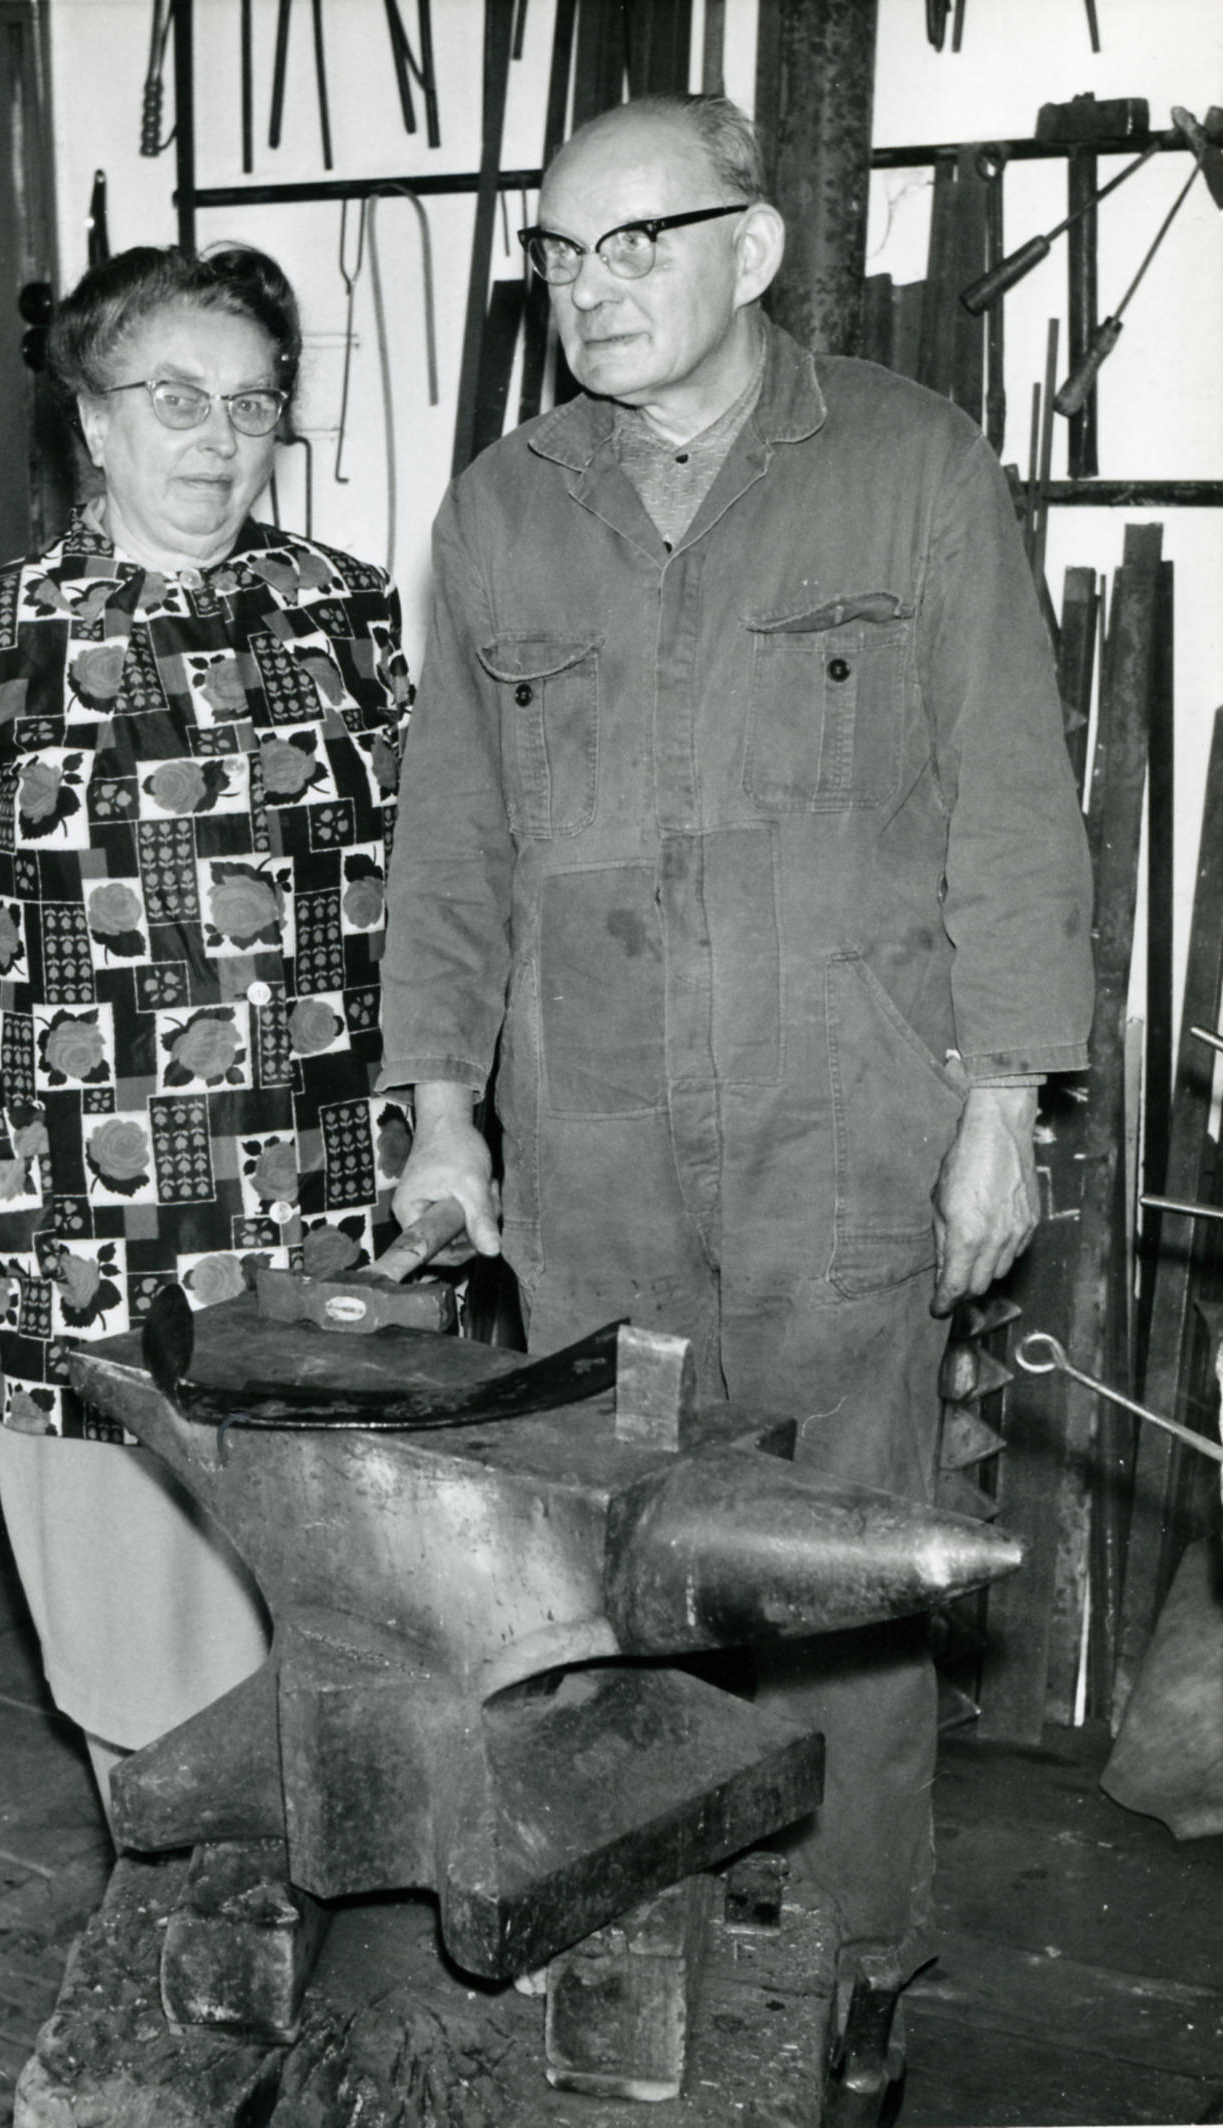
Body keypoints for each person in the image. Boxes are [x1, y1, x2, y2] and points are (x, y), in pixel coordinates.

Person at [378, 94, 1093, 2018]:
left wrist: (1001, 1110)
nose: (585, 289)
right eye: (557, 254)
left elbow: (1011, 809)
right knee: (610, 1577)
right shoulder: (504, 506)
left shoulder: (909, 465)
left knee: (841, 1589)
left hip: (841, 1141)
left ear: (751, 248)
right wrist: (441, 1112)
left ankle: (851, 1973)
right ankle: (638, 1960)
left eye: (634, 243)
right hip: (592, 1156)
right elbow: (452, 839)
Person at [0, 244, 414, 1808]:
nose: (218, 435)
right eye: (174, 396)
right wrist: (93, 1145)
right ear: (92, 419)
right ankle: (183, 1942)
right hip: (96, 1250)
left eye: (251, 401)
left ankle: (312, 1933)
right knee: (151, 1687)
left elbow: (431, 912)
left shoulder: (350, 615)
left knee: (346, 1647)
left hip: (329, 1228)